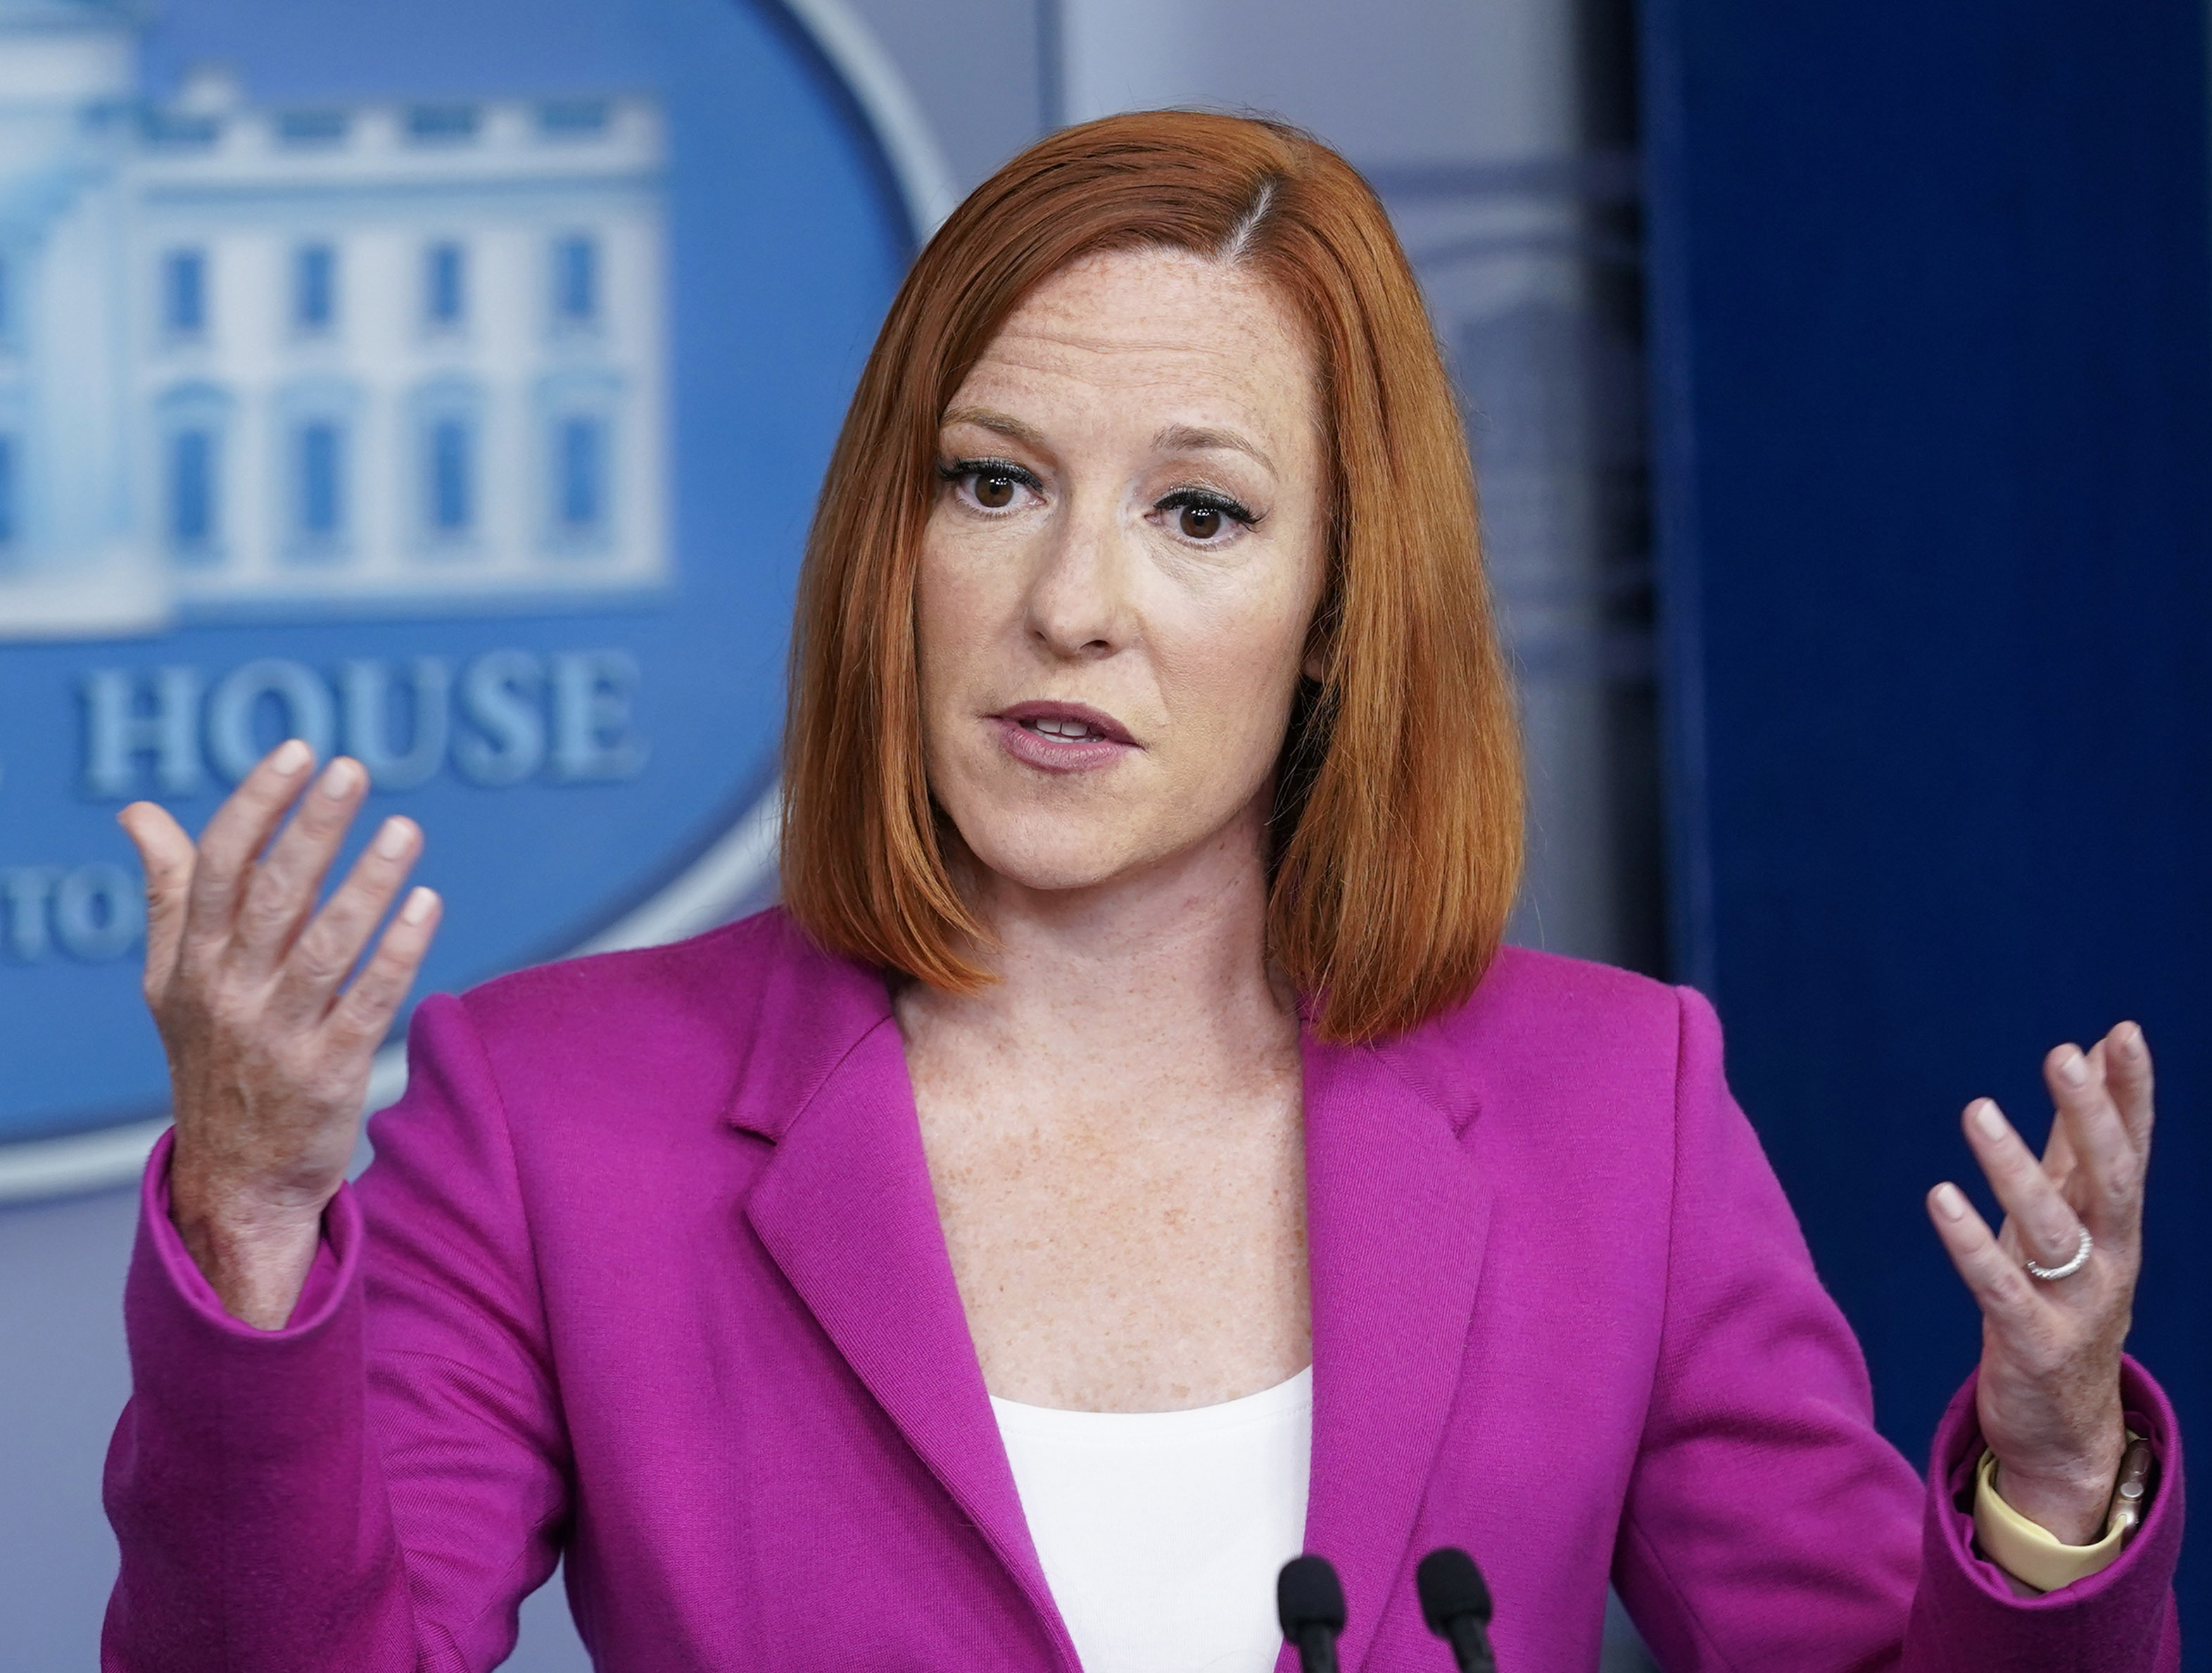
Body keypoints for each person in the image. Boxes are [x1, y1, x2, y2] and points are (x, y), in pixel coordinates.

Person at [101, 113, 2178, 1672]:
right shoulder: (554, 1112)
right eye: (993, 482)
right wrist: (255, 1228)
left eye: (1200, 512)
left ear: (1341, 611)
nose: (1070, 601)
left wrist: (2055, 1484)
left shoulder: (1612, 1104)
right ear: (892, 547)